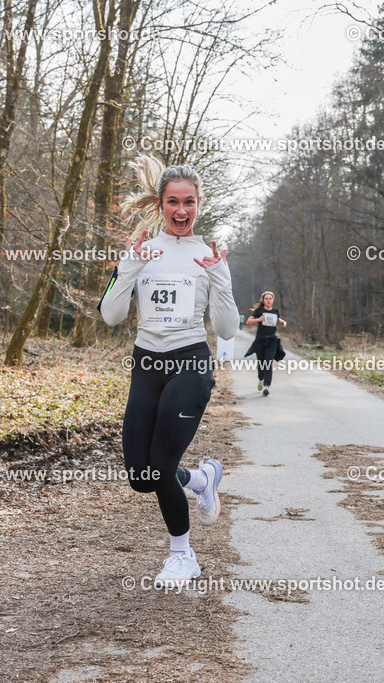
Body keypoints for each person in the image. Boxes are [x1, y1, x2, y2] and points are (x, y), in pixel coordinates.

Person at [98, 155, 239, 588]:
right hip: (147, 364)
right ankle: (201, 479)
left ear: (199, 205)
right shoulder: (141, 252)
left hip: (190, 362)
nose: (181, 211)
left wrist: (220, 279)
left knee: (160, 466)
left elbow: (228, 328)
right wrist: (129, 269)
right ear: (160, 204)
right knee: (141, 477)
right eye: (173, 202)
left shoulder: (209, 256)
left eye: (190, 202)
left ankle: (183, 557)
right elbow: (110, 315)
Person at [244, 291, 286, 395]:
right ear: (263, 300)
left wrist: (283, 322)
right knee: (261, 362)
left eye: (270, 298)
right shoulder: (259, 310)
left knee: (268, 362)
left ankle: (267, 385)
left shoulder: (275, 310)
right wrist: (259, 319)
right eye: (266, 298)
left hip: (272, 341)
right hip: (260, 341)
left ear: (273, 300)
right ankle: (260, 379)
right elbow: (248, 322)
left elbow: (278, 319)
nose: (268, 300)